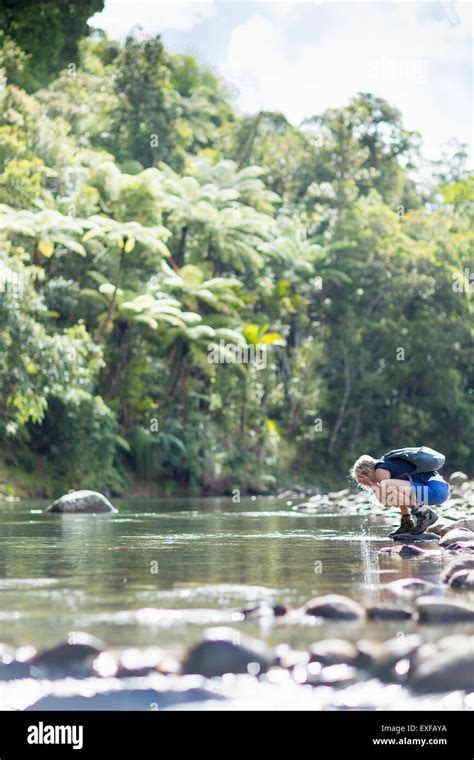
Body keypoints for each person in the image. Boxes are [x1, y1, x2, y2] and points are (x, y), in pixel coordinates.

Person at [350, 452, 449, 536]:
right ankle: (406, 522)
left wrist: (372, 484)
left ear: (367, 470)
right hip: (437, 490)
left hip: (435, 490)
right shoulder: (387, 467)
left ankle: (424, 513)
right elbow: (392, 498)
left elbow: (387, 503)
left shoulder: (380, 470)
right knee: (392, 490)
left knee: (387, 486)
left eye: (361, 478)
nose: (361, 482)